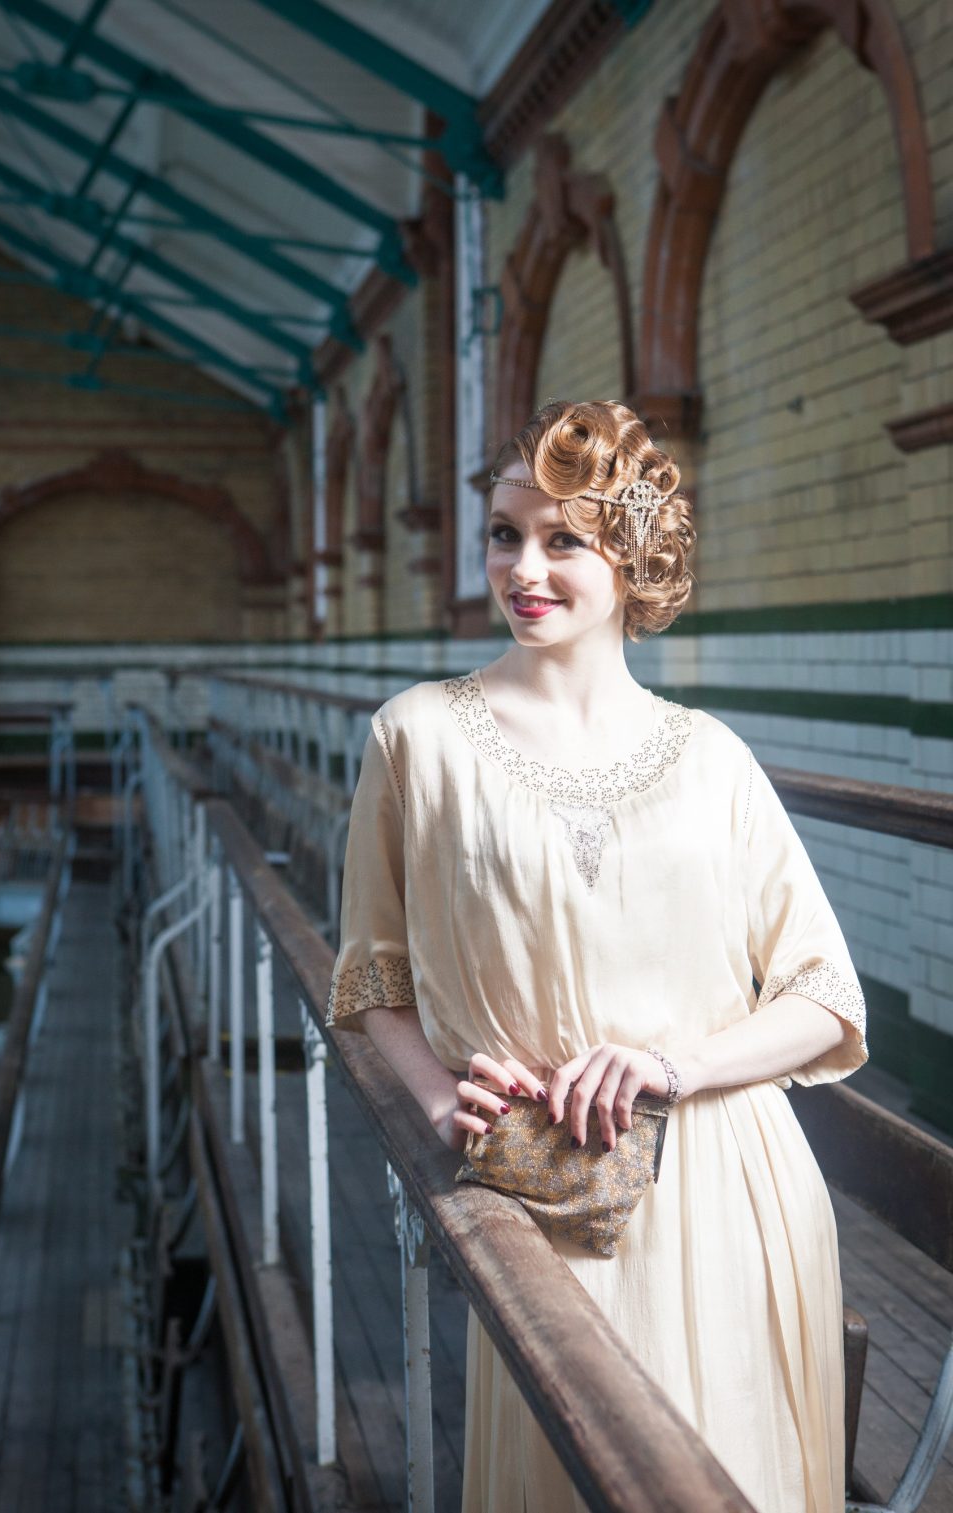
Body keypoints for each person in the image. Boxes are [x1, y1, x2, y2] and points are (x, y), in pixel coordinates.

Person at [326, 399, 867, 1513]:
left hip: (728, 1188)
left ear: (630, 554)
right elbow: (371, 975)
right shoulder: (414, 736)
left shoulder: (710, 757)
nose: (524, 566)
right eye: (504, 533)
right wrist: (437, 1103)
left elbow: (823, 993)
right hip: (543, 1194)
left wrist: (670, 1066)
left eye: (562, 538)